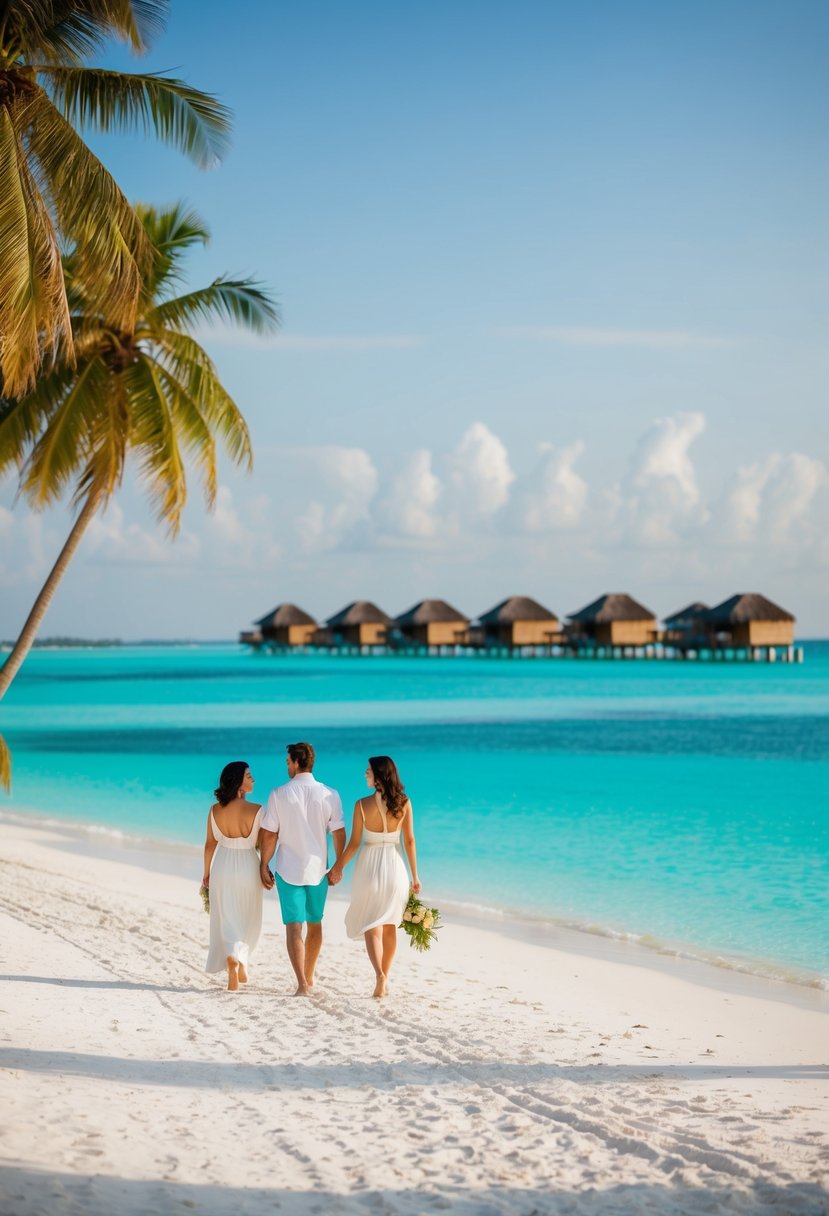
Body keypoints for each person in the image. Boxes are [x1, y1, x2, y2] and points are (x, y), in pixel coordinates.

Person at [329, 755, 420, 998]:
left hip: (369, 868)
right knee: (391, 924)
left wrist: (337, 868)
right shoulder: (405, 803)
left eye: (368, 771)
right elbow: (410, 841)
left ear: (379, 775)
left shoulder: (361, 805)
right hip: (395, 868)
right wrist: (415, 876)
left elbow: (354, 844)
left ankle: (379, 974)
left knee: (372, 924)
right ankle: (385, 977)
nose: (365, 774)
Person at [259, 742, 345, 996]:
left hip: (288, 870)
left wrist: (263, 864)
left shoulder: (278, 793)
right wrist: (339, 865)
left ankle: (302, 984)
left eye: (288, 762)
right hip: (318, 870)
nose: (286, 766)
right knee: (315, 923)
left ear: (296, 762)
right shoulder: (331, 794)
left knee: (294, 927)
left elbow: (269, 835)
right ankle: (308, 974)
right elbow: (339, 833)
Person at [203, 761, 263, 991]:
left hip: (222, 866)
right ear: (239, 781)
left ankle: (234, 957)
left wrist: (206, 874)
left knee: (227, 916)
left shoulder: (214, 810)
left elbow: (209, 844)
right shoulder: (257, 810)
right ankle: (239, 959)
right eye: (249, 775)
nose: (253, 779)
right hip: (248, 865)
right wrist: (265, 867)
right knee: (248, 916)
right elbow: (262, 842)